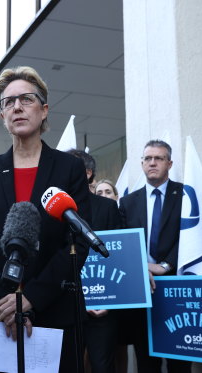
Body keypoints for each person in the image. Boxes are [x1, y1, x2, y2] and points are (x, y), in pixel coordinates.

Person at [0, 66, 92, 373]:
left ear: (44, 109)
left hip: (54, 311)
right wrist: (5, 302)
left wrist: (30, 298)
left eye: (26, 99)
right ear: (2, 116)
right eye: (8, 102)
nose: (17, 107)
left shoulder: (68, 169)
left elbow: (76, 244)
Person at [118, 139, 190, 372]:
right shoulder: (128, 202)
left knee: (179, 359)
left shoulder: (186, 195)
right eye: (147, 159)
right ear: (141, 164)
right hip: (142, 289)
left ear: (169, 163)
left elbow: (191, 237)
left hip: (176, 286)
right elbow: (124, 241)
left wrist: (166, 265)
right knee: (146, 359)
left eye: (158, 158)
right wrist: (142, 267)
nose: (152, 163)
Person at [67, 150, 121, 373]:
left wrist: (107, 301)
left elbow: (118, 253)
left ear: (88, 173)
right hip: (65, 306)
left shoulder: (107, 207)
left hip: (101, 308)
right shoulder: (52, 207)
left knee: (101, 366)